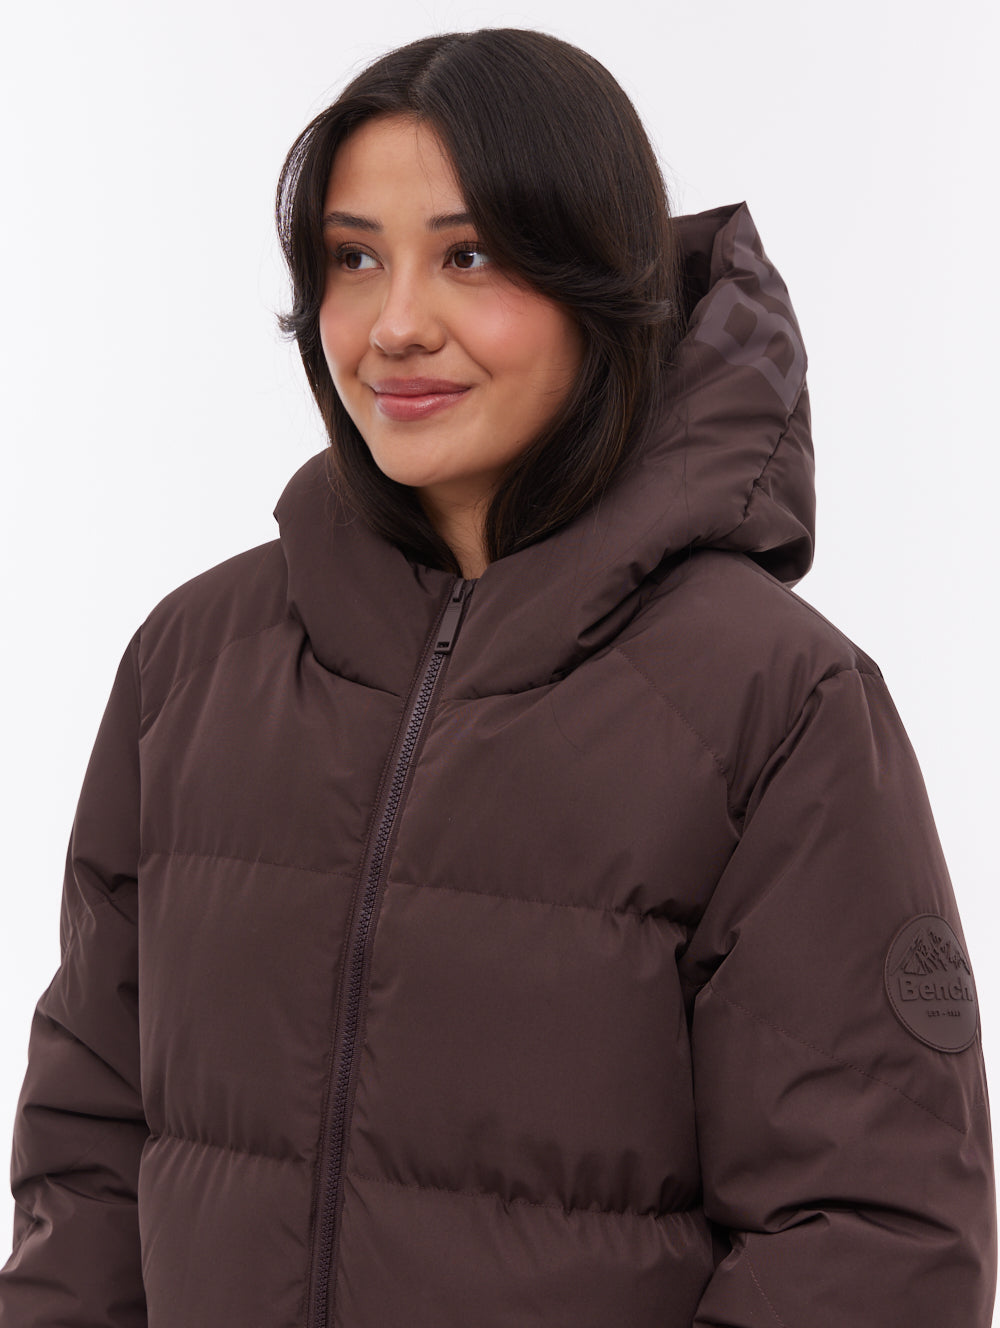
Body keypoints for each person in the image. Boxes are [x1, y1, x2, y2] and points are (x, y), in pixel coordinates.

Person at [0, 26, 995, 1328]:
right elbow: (87, 1162)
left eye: (467, 256)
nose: (397, 325)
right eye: (355, 259)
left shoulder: (773, 703)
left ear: (603, 285)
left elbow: (872, 1241)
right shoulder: (192, 664)